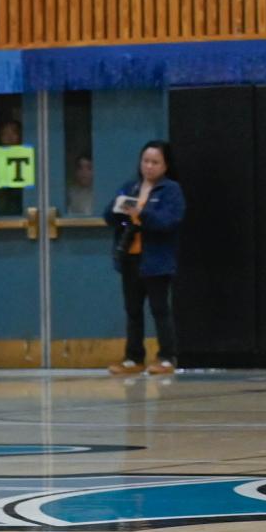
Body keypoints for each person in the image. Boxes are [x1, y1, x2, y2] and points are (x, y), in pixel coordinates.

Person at [106, 140, 184, 377]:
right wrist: (118, 211)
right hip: (130, 257)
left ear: (165, 165)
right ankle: (133, 358)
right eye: (145, 161)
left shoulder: (170, 190)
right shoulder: (130, 187)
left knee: (159, 309)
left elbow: (169, 221)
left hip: (156, 259)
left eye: (155, 162)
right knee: (132, 309)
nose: (148, 166)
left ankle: (167, 357)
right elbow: (109, 217)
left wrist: (143, 213)